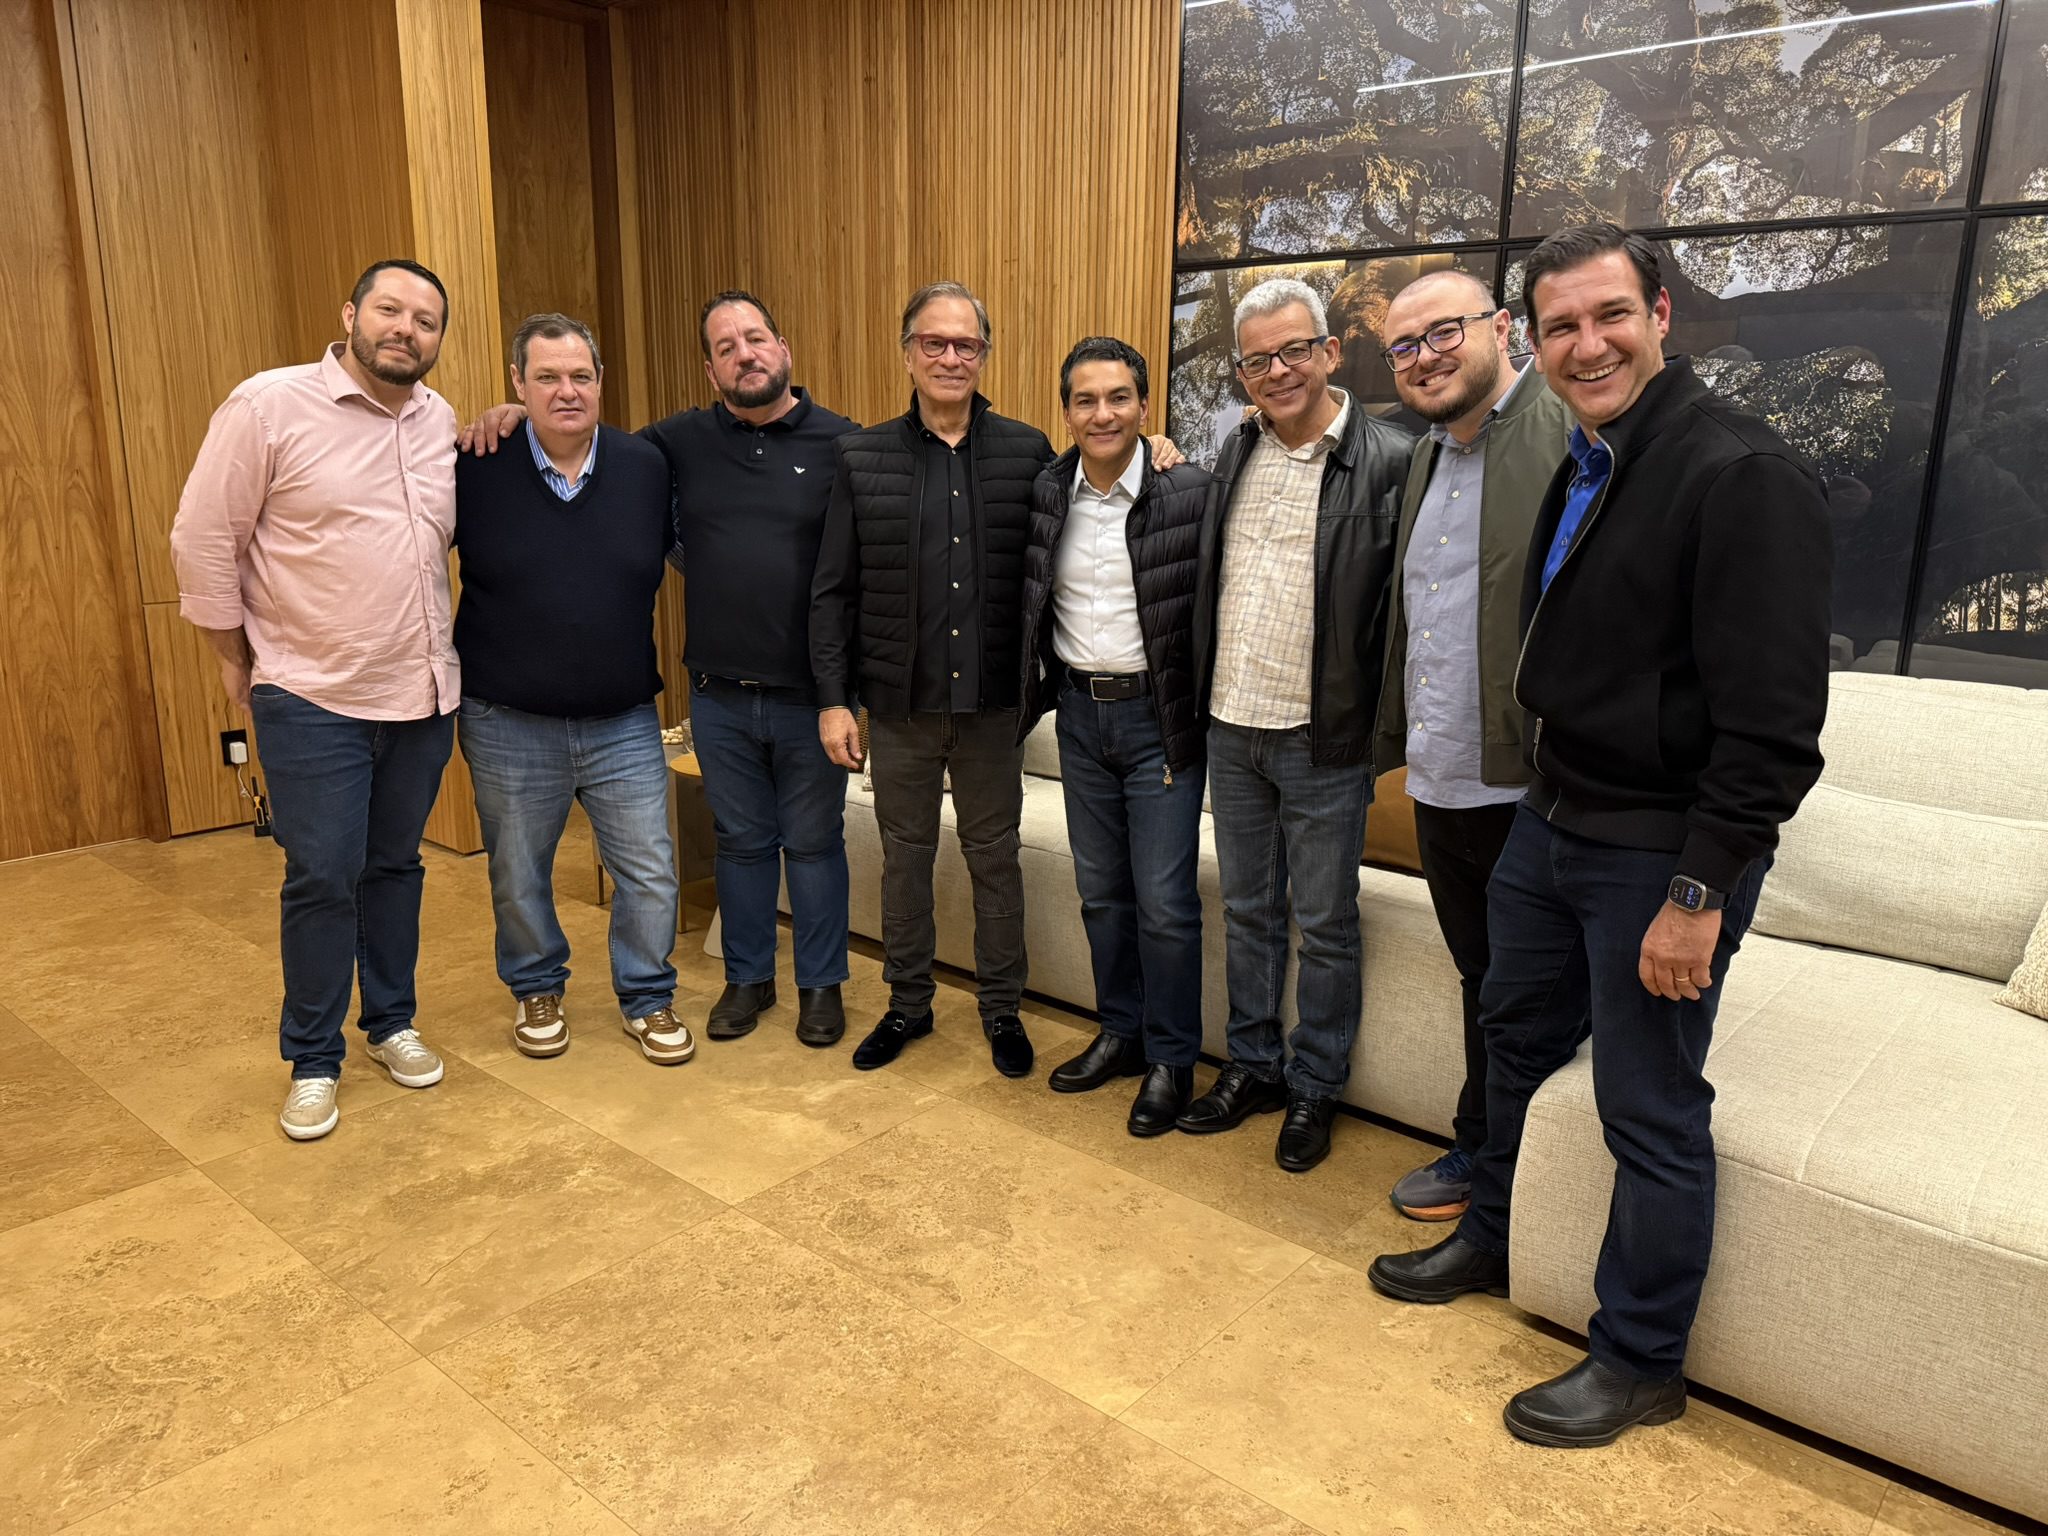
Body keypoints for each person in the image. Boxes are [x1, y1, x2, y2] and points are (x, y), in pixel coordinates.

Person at [1367, 222, 1832, 1448]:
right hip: (1551, 817)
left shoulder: (1738, 473)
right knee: (1510, 1038)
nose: (1587, 344)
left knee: (1646, 1104)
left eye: (1609, 315)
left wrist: (1699, 892)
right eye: (1561, 325)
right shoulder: (1591, 457)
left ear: (1659, 314)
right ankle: (1492, 1235)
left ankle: (1637, 1359)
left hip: (1655, 854)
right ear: (1533, 339)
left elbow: (1773, 732)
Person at [458, 291, 859, 1048]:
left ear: (784, 348)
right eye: (725, 347)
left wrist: (846, 693)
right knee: (727, 845)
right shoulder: (664, 447)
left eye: (756, 338)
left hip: (791, 694)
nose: (745, 354)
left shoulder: (840, 445)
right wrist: (504, 419)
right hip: (694, 694)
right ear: (709, 369)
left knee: (791, 847)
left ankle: (801, 987)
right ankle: (738, 980)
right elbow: (574, 443)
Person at [171, 259, 459, 1142]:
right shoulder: (268, 406)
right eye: (389, 310)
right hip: (311, 694)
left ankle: (391, 1021)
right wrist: (234, 660)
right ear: (350, 315)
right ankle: (313, 1059)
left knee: (395, 867)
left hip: (420, 692)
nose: (405, 329)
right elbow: (202, 539)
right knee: (324, 876)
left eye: (425, 320)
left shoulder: (440, 420)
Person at [1179, 277, 1414, 1172]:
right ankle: (1252, 1066)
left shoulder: (1391, 461)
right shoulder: (1234, 449)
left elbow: (1401, 618)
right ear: (1241, 375)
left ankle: (1316, 1084)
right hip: (1230, 726)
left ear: (1330, 352)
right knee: (1246, 911)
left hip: (1324, 740)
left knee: (1324, 922)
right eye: (1256, 360)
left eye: (1293, 351)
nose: (1276, 372)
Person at [1370, 270, 1574, 1219]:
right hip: (1443, 775)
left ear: (1501, 327)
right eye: (1404, 346)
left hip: (1529, 784)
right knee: (1483, 979)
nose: (1425, 358)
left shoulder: (1565, 435)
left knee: (1525, 995)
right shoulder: (1425, 456)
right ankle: (1487, 1155)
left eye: (1443, 332)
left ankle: (1507, 1182)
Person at [810, 282, 1050, 1078]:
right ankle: (908, 1005)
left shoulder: (1027, 452)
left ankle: (1002, 1010)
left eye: (966, 344)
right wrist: (835, 700)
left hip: (991, 710)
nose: (951, 357)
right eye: (934, 343)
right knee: (904, 862)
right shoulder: (861, 456)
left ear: (985, 354)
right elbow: (832, 592)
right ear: (907, 352)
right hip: (900, 711)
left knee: (996, 861)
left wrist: (1160, 449)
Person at [452, 313, 692, 1067]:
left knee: (649, 871)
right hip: (507, 720)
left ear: (600, 382)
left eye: (581, 376)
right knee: (518, 872)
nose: (566, 391)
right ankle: (536, 987)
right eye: (546, 377)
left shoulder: (645, 466)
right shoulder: (474, 463)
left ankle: (647, 996)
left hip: (623, 719)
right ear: (516, 384)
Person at [1020, 337, 1212, 1135]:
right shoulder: (1045, 491)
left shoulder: (1189, 490)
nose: (1103, 414)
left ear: (1143, 405)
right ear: (1067, 411)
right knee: (1101, 893)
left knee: (1164, 902)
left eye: (1119, 398)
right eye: (1086, 400)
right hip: (1077, 715)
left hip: (1157, 721)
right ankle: (1121, 1033)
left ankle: (1172, 1059)